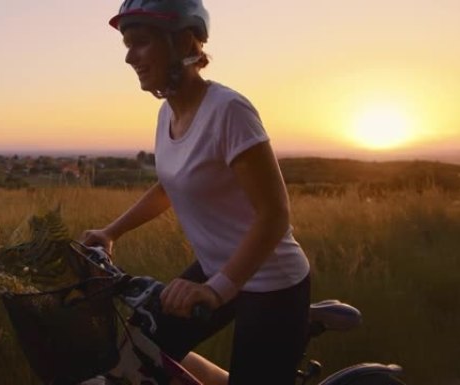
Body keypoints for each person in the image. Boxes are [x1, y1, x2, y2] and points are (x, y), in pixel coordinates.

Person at [81, 1, 311, 384]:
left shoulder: (229, 111)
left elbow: (275, 214)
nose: (128, 57)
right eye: (126, 44)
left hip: (271, 279)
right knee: (144, 350)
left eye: (140, 42)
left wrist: (218, 291)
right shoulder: (167, 113)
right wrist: (111, 232)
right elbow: (171, 185)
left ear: (184, 42)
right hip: (216, 267)